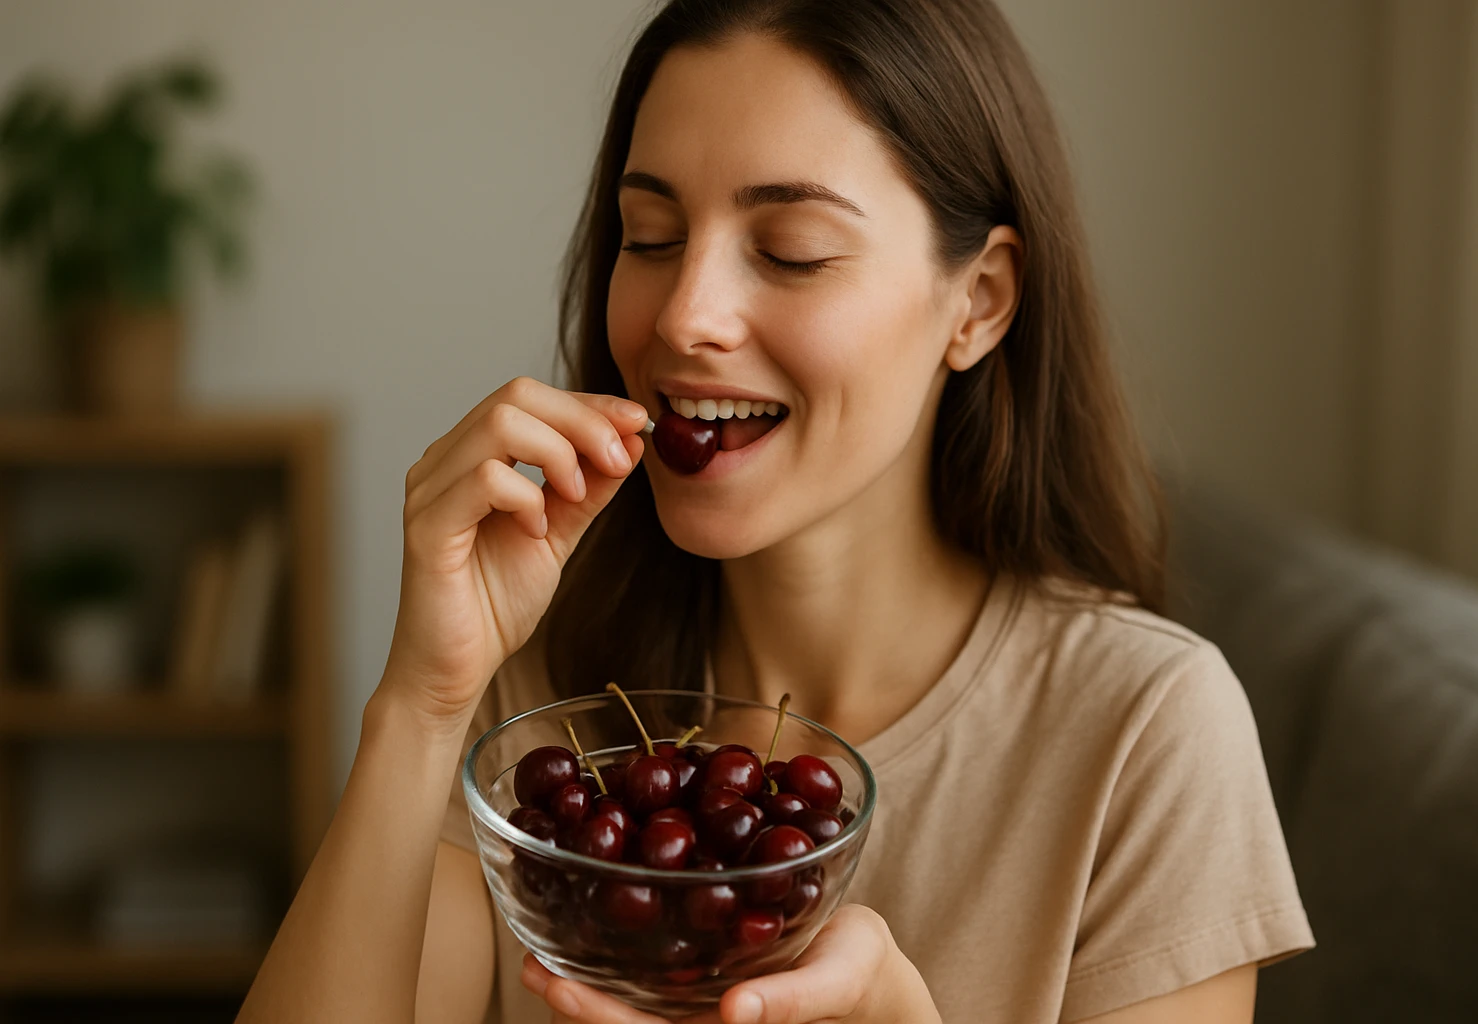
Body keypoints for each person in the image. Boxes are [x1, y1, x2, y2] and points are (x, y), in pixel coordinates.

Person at [237, 1, 1313, 1021]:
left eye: (790, 250)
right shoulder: (541, 700)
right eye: (650, 236)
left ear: (977, 301)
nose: (686, 316)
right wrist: (421, 701)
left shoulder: (1148, 734)